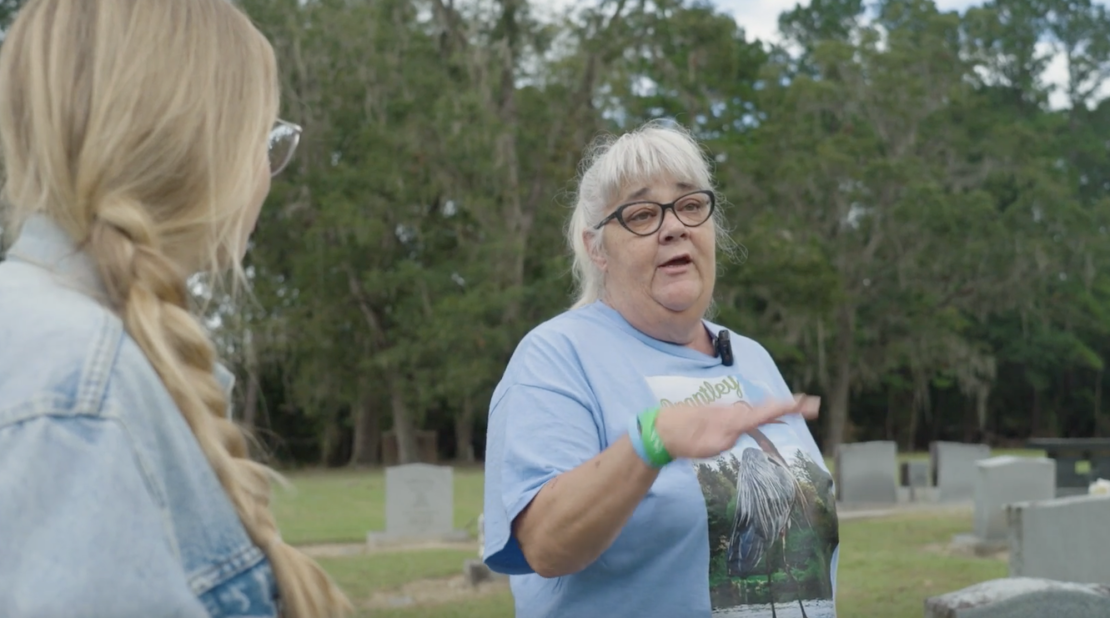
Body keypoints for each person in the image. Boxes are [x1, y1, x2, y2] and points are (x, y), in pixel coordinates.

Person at [0, 1, 351, 617]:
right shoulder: (82, 383)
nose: (269, 174)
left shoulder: (71, 350)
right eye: (265, 139)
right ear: (203, 146)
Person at [482, 120, 841, 618]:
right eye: (643, 214)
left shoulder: (752, 358)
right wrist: (653, 440)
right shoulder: (557, 356)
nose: (675, 226)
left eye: (691, 205)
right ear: (596, 247)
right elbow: (544, 545)